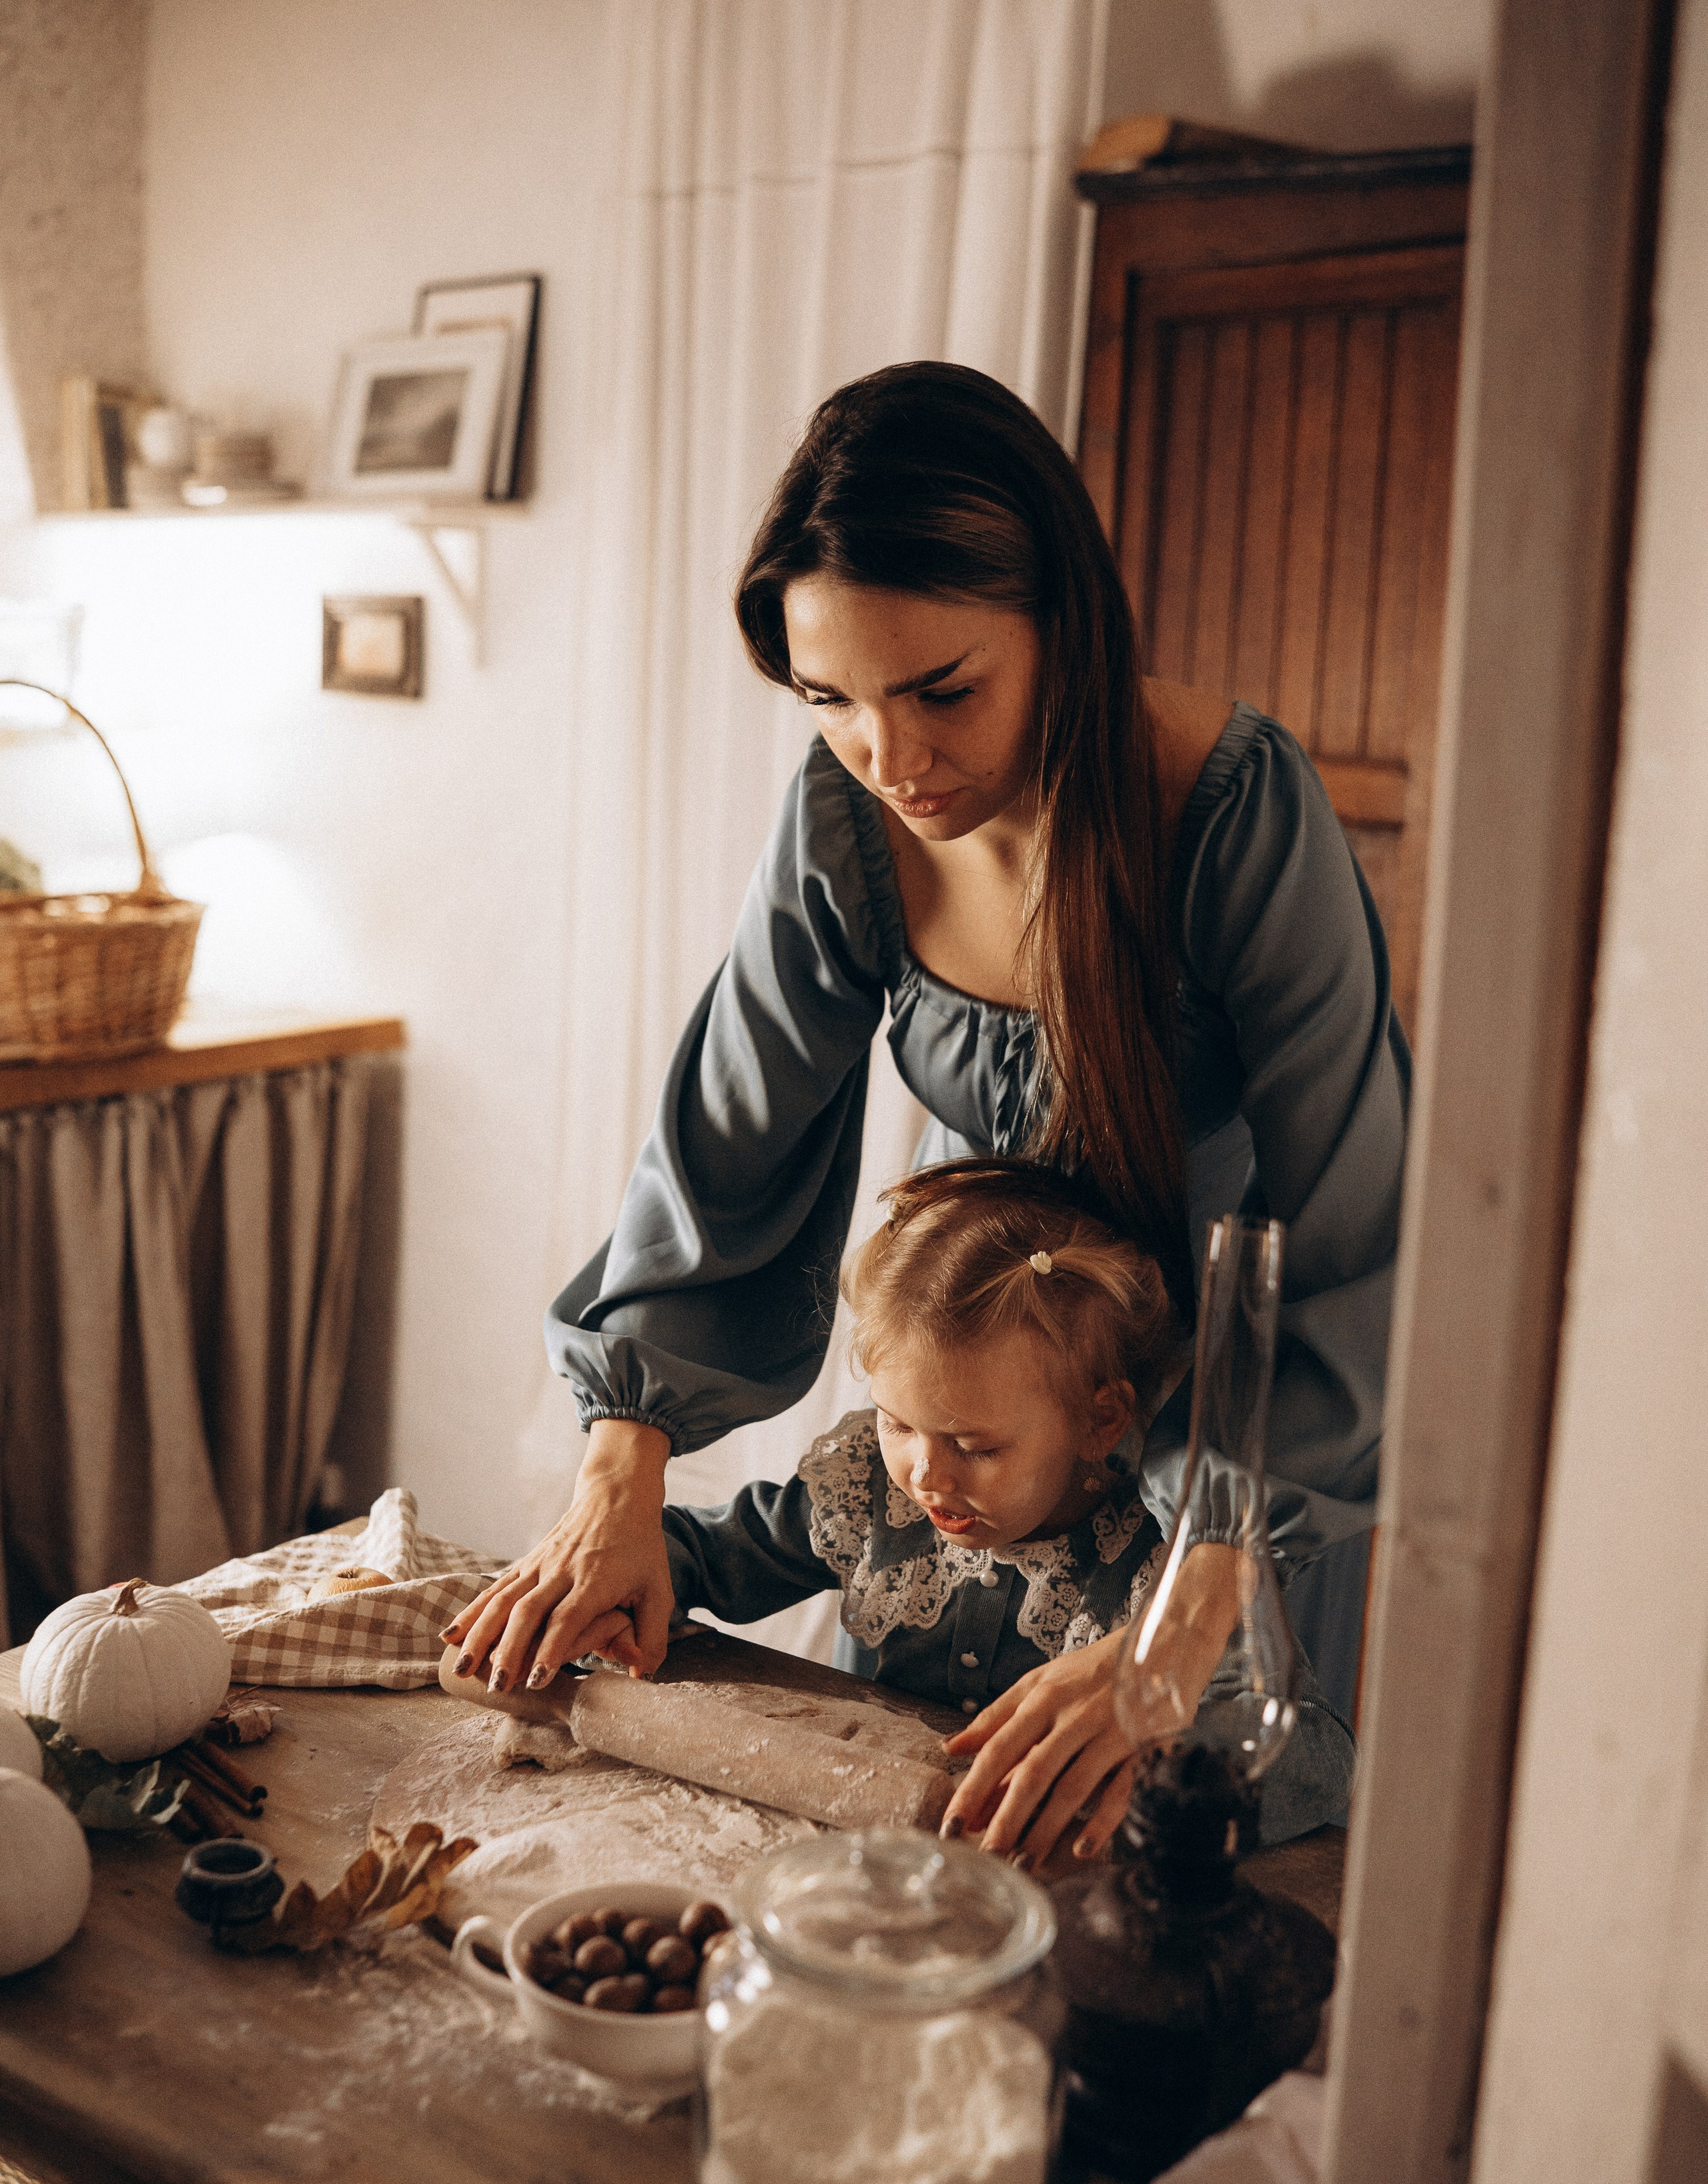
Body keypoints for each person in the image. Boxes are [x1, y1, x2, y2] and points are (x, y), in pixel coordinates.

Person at [443, 360, 1406, 1852]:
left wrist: (1180, 1620)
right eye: (828, 699)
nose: (891, 761)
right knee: (915, 1828)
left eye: (941, 691)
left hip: (1233, 1477)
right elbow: (722, 1148)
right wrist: (616, 1478)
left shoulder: (1235, 817)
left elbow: (1356, 1238)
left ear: (1063, 625)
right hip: (987, 1387)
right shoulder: (845, 817)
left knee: (1171, 1871)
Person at [643, 1161, 1353, 1863]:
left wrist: (1148, 1777)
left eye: (973, 1446)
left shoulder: (1167, 1564)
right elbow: (697, 1552)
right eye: (897, 1423)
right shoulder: (868, 1491)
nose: (925, 1475)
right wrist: (623, 1584)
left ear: (1099, 1421)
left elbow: (1318, 1755)